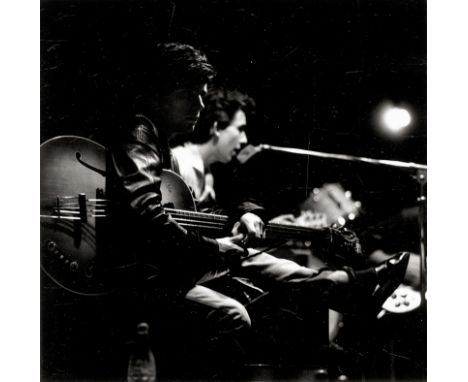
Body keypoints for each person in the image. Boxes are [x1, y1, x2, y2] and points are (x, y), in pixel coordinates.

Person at [105, 43, 410, 379]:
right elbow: (147, 215)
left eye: (202, 94)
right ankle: (343, 287)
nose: (200, 104)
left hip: (177, 261)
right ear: (160, 91)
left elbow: (192, 216)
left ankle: (343, 288)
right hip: (158, 270)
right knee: (248, 267)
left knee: (255, 262)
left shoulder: (159, 144)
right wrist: (219, 246)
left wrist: (240, 216)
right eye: (188, 93)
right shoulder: (142, 136)